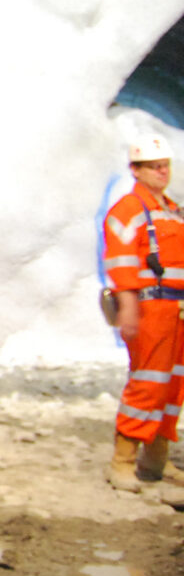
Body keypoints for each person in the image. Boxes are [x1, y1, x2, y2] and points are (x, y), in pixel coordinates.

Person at [101, 135, 184, 493]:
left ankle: (155, 460)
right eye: (154, 166)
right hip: (151, 306)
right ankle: (121, 462)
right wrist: (129, 306)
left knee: (172, 386)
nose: (162, 172)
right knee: (147, 383)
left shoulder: (172, 210)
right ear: (136, 170)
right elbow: (120, 261)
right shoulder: (128, 210)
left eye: (164, 165)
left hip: (177, 310)